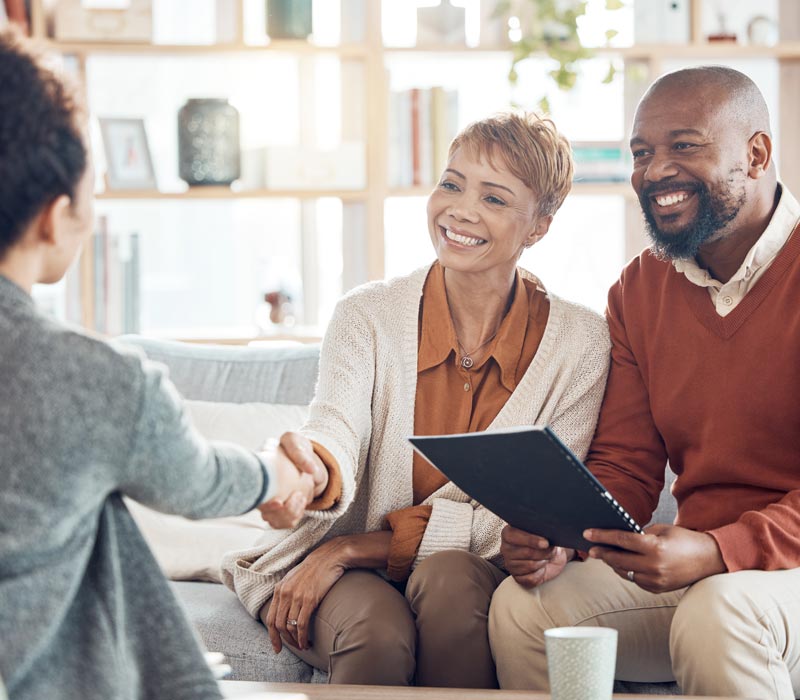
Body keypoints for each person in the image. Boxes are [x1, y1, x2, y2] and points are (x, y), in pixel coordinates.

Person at [220, 111, 611, 688]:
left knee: (452, 584)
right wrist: (308, 475)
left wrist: (356, 548)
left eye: (495, 199)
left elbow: (531, 513)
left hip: (467, 571)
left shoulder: (581, 343)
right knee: (377, 634)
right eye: (451, 184)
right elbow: (335, 429)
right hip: (343, 564)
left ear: (539, 226)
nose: (460, 210)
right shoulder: (366, 315)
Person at [0, 30, 335, 700]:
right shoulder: (94, 381)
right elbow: (201, 483)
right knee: (107, 520)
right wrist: (279, 468)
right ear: (54, 214)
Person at [488, 66, 800, 700]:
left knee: (721, 612)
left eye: (684, 145)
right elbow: (627, 465)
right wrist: (561, 537)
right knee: (525, 608)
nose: (655, 171)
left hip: (768, 573)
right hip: (703, 571)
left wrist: (718, 551)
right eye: (642, 153)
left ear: (756, 154)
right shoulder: (639, 290)